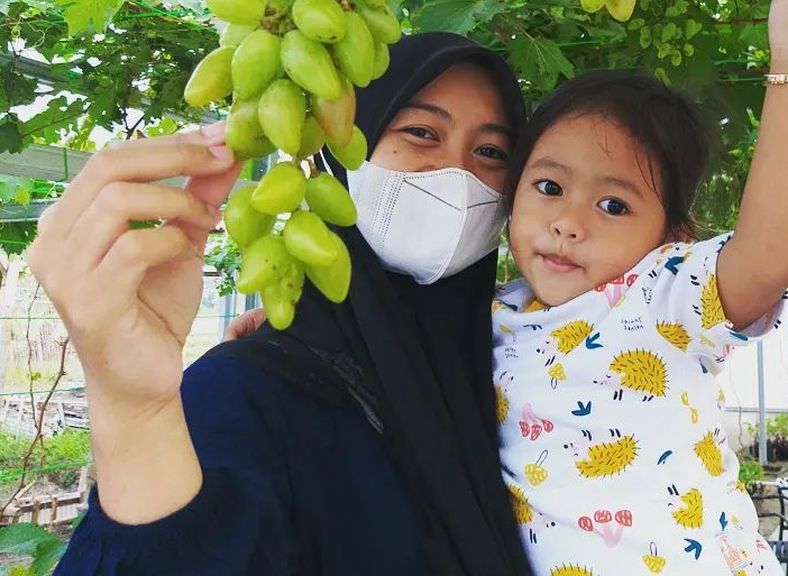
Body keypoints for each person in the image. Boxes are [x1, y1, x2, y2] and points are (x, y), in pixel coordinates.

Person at [26, 33, 534, 575]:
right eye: (420, 132)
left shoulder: (522, 373)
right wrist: (134, 414)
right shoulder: (249, 393)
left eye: (491, 153)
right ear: (345, 152)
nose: (455, 173)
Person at [489, 0, 788, 573]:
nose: (567, 223)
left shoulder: (662, 295)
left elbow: (771, 252)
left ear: (671, 237)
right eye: (549, 187)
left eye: (613, 206)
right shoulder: (487, 317)